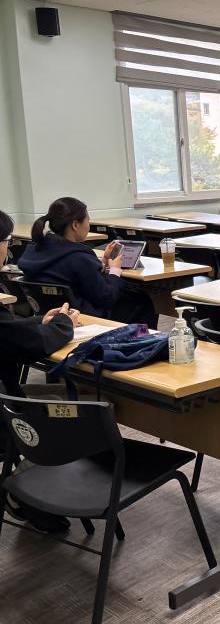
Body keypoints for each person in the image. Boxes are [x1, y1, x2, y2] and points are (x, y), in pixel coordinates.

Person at [1, 208, 82, 533]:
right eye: (7, 242)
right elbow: (32, 344)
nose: (8, 249)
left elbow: (9, 333)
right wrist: (63, 323)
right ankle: (22, 487)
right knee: (81, 405)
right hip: (6, 415)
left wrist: (39, 321)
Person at [18, 197, 156, 327]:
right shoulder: (78, 257)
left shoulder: (35, 250)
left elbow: (69, 273)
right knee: (142, 300)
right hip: (84, 317)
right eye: (87, 221)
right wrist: (115, 270)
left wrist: (103, 261)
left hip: (48, 315)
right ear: (75, 225)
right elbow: (107, 297)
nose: (88, 226)